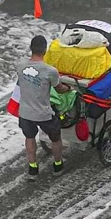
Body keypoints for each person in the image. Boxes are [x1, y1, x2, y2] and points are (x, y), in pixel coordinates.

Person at [17, 35, 70, 181]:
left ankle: (33, 168)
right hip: (44, 113)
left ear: (31, 49)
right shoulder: (50, 71)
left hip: (25, 112)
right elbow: (59, 89)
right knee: (55, 138)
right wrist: (68, 89)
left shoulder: (20, 66)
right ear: (45, 50)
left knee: (29, 137)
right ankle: (58, 165)